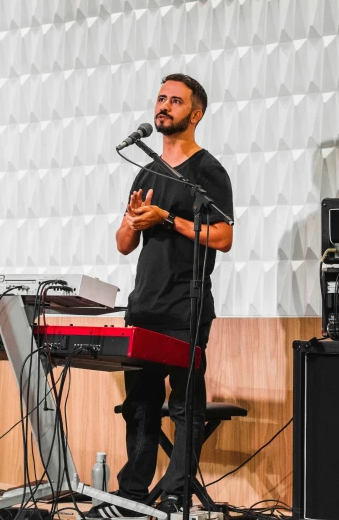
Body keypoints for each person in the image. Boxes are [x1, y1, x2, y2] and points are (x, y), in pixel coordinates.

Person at [85, 73, 233, 520]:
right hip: (144, 305)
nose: (164, 106)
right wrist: (133, 220)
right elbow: (123, 243)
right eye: (161, 98)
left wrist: (168, 219)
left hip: (186, 305)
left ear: (196, 113)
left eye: (176, 100)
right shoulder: (146, 171)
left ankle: (175, 495)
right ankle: (130, 495)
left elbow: (224, 236)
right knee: (141, 404)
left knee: (186, 405)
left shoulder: (207, 170)